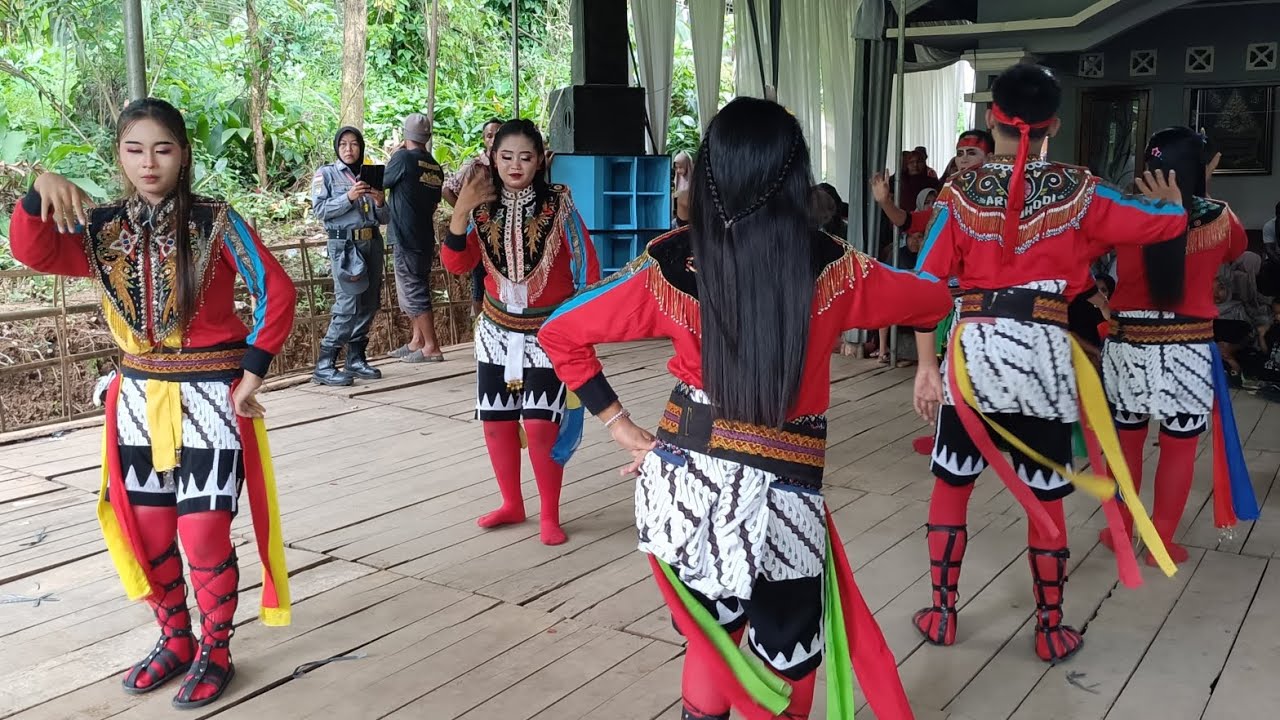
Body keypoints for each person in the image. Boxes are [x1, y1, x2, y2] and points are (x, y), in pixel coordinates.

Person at [538, 97, 951, 720]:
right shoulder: (837, 267)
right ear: (796, 179)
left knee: (713, 639)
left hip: (689, 481)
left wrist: (623, 429)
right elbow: (932, 299)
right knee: (789, 653)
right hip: (787, 493)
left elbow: (561, 331)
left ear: (708, 173)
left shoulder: (671, 263)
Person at [8, 98, 294, 708]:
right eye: (135, 149)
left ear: (183, 154)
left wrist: (252, 373)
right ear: (119, 155)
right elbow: (33, 250)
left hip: (211, 397)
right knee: (151, 529)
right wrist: (39, 190)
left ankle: (217, 650)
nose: (148, 162)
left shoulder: (218, 220)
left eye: (162, 148)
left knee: (204, 530)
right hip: (138, 397)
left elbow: (276, 288)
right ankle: (176, 640)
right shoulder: (102, 227)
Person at [910, 63, 1189, 663]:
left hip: (972, 351)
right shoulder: (1081, 190)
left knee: (953, 481)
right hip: (1043, 353)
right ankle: (1050, 625)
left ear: (992, 119)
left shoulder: (958, 195)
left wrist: (925, 366)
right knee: (1047, 491)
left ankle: (941, 611)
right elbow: (1161, 225)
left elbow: (923, 285)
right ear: (1053, 125)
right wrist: (1176, 206)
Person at [1101, 126, 1257, 565]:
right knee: (1179, 445)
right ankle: (1161, 541)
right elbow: (1236, 251)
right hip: (1188, 348)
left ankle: (1122, 529)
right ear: (1200, 167)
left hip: (1128, 344)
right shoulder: (1222, 218)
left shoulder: (1122, 213)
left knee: (1127, 444)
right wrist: (1202, 189)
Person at [441, 119, 600, 546]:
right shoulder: (479, 208)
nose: (515, 165)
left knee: (541, 421)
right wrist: (461, 211)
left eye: (525, 157)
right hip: (495, 329)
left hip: (549, 331)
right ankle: (511, 503)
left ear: (541, 161)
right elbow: (457, 265)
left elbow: (588, 266)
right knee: (496, 420)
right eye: (506, 156)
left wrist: (582, 325)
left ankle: (550, 513)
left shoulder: (561, 206)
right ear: (493, 158)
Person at [311, 126, 388, 386]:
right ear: (337, 147)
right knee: (347, 306)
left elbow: (386, 219)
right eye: (343, 144)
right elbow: (320, 210)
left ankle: (356, 359)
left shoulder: (370, 174)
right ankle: (325, 364)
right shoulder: (327, 174)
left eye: (354, 144)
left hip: (371, 244)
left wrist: (379, 201)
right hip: (345, 247)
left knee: (369, 303)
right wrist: (348, 197)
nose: (349, 149)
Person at [384, 113, 446, 363]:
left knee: (413, 290)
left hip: (405, 236)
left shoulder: (402, 159)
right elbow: (433, 203)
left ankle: (431, 346)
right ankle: (417, 340)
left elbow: (381, 181)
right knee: (418, 285)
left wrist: (395, 154)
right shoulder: (434, 166)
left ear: (406, 135)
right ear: (427, 137)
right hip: (424, 235)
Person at [872, 130, 994, 235]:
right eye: (959, 154)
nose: (964, 159)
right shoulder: (951, 194)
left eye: (972, 153)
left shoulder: (1001, 194)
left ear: (990, 158)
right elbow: (912, 222)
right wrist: (885, 201)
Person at [444, 118, 504, 317]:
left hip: (506, 231)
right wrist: (467, 212)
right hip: (482, 232)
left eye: (498, 134)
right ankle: (479, 324)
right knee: (480, 276)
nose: (494, 139)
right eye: (489, 135)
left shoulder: (509, 164)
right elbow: (447, 190)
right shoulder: (476, 167)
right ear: (484, 140)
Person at [672, 150, 692, 227]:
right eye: (676, 168)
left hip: (688, 220)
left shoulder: (692, 181)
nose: (678, 170)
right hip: (679, 217)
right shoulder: (678, 179)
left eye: (681, 167)